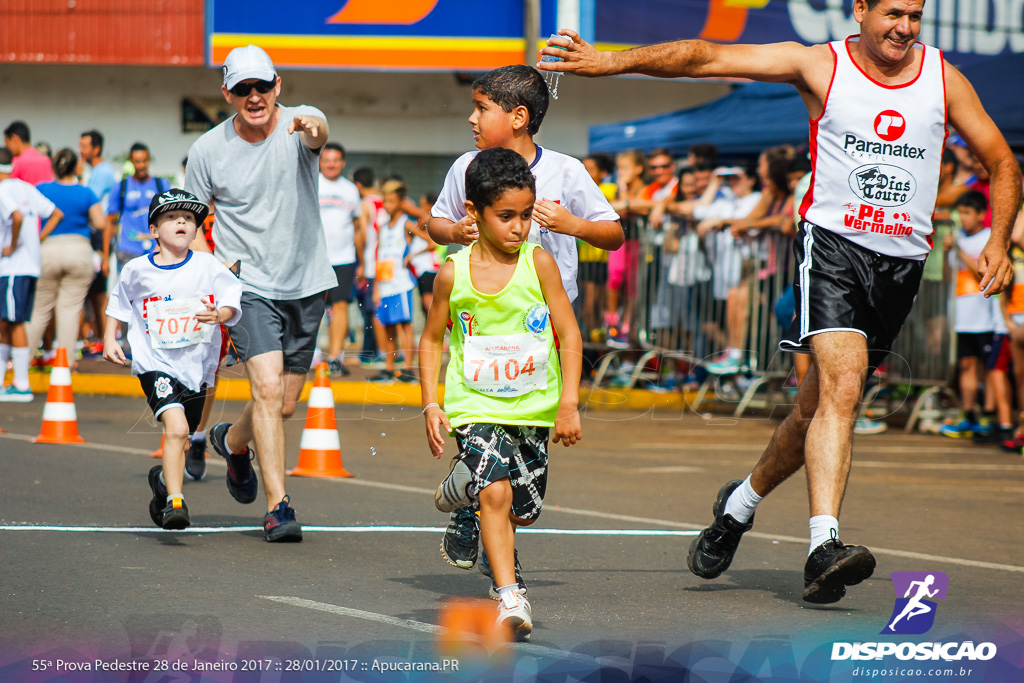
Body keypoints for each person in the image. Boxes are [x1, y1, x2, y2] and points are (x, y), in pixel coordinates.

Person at [539, 0, 1021, 603]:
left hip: (903, 263)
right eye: (893, 13)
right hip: (835, 248)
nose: (904, 27)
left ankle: (735, 509)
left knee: (814, 410)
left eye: (916, 16)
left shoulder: (943, 77)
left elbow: (1002, 161)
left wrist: (998, 242)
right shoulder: (817, 66)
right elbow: (704, 56)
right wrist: (608, 62)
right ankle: (824, 547)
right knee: (842, 391)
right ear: (861, 9)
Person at [426, 63, 621, 573]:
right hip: (485, 327)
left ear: (518, 117)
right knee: (492, 448)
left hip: (543, 332)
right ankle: (499, 554)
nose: (472, 118)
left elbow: (613, 233)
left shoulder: (566, 170)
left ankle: (475, 492)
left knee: (524, 480)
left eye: (482, 108)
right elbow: (436, 221)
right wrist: (456, 232)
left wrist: (572, 223)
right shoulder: (467, 165)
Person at [420, 147, 583, 641]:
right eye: (505, 216)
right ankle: (510, 597)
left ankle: (464, 493)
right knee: (496, 493)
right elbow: (431, 339)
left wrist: (570, 402)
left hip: (535, 405)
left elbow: (570, 335)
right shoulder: (454, 272)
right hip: (475, 404)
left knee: (522, 511)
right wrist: (431, 402)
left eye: (526, 215)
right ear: (474, 212)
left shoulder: (540, 263)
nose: (518, 226)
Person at [184, 43, 334, 542]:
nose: (255, 96)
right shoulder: (207, 150)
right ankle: (279, 507)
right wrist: (209, 273)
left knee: (285, 404)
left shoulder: (301, 123)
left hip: (307, 281)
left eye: (262, 86)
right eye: (243, 88)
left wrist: (315, 131)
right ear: (227, 93)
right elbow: (192, 219)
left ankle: (233, 441)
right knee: (266, 390)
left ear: (278, 87)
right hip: (247, 285)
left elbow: (319, 131)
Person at [103, 189, 242, 530]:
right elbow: (118, 303)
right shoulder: (137, 270)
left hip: (197, 367)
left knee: (182, 436)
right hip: (155, 363)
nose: (182, 221)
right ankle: (175, 503)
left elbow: (231, 296)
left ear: (196, 230)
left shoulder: (207, 265)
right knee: (176, 428)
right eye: (171, 217)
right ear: (154, 230)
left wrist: (220, 313)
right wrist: (109, 337)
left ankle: (164, 482)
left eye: (189, 218)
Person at [28, 149, 105, 361]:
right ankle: (66, 363)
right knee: (70, 309)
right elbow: (100, 223)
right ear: (75, 168)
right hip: (78, 250)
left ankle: (21, 364)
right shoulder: (86, 192)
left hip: (47, 249)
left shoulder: (41, 189)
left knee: (39, 309)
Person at [0, 149, 63, 402]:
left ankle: (22, 384)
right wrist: (37, 239)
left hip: (12, 267)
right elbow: (56, 213)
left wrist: (14, 245)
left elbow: (15, 216)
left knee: (13, 322)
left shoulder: (3, 190)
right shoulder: (25, 188)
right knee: (5, 322)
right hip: (27, 267)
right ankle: (8, 381)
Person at [940, 191, 998, 438]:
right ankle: (968, 413)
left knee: (989, 367)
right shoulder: (958, 240)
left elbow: (983, 276)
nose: (962, 218)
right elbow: (947, 275)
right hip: (962, 315)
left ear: (981, 215)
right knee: (966, 365)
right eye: (959, 213)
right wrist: (945, 254)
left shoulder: (988, 239)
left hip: (985, 315)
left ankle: (989, 413)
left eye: (967, 213)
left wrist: (960, 250)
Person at [318, 142, 364, 376]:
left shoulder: (350, 190)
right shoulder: (311, 183)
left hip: (344, 259)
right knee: (311, 309)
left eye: (335, 160)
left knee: (340, 307)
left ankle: (335, 357)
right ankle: (309, 354)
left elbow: (358, 227)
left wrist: (362, 261)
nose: (331, 164)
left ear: (343, 163)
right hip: (314, 259)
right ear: (320, 162)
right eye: (327, 160)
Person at [370, 179, 417, 384]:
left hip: (401, 283)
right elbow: (379, 256)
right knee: (388, 326)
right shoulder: (382, 227)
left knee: (404, 325)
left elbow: (431, 241)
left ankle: (407, 368)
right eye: (385, 201)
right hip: (385, 284)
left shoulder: (405, 222)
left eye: (391, 201)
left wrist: (411, 255)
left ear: (400, 202)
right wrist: (376, 288)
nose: (387, 205)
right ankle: (389, 368)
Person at [79, 130, 118, 356]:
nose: (80, 151)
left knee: (99, 292)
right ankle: (96, 340)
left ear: (95, 149)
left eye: (84, 146)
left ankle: (106, 340)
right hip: (93, 237)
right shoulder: (94, 171)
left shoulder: (101, 173)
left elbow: (87, 203)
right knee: (92, 293)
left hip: (97, 238)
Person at [107, 143, 169, 277]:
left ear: (149, 160)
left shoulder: (161, 185)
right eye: (137, 161)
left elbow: (170, 218)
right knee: (129, 295)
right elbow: (110, 222)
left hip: (156, 250)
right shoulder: (121, 187)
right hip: (128, 250)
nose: (141, 165)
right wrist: (105, 257)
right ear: (131, 161)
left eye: (144, 161)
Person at [3, 121, 55, 186]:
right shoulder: (46, 160)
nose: (6, 146)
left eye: (7, 142)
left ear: (15, 139)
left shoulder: (16, 163)